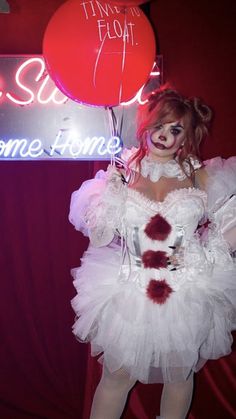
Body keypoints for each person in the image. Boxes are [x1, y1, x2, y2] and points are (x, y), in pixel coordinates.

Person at [69, 87, 236, 419]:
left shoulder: (201, 176)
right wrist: (110, 194)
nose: (165, 135)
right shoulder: (123, 172)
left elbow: (228, 226)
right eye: (160, 124)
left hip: (186, 292)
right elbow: (100, 239)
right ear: (146, 124)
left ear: (186, 136)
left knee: (179, 375)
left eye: (176, 129)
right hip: (129, 292)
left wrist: (205, 255)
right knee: (117, 377)